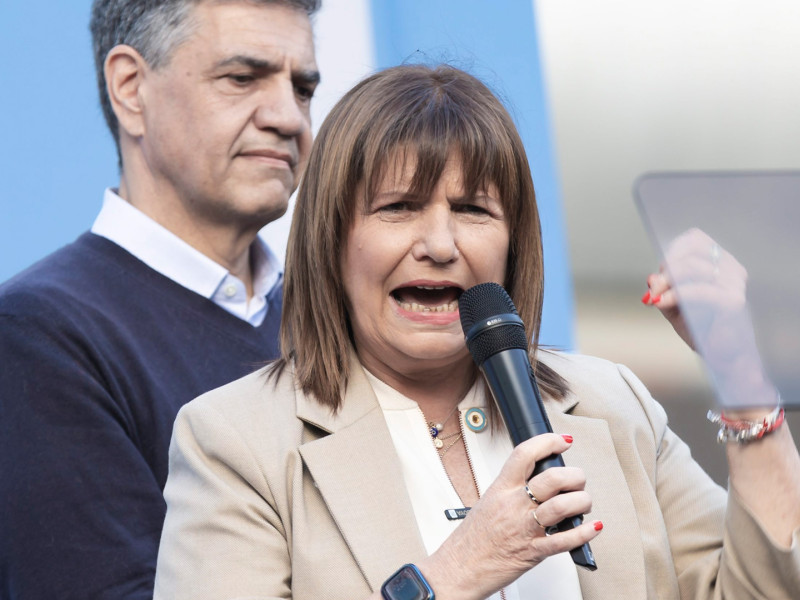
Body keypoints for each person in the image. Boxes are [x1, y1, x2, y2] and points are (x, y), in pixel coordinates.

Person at [153, 65, 800, 599]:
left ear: (514, 244)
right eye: (399, 207)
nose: (440, 244)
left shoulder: (612, 403)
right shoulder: (235, 443)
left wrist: (741, 373)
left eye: (472, 210)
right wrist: (455, 574)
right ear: (332, 240)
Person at [0, 0, 320, 597]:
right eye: (242, 77)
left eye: (302, 88)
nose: (287, 117)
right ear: (130, 88)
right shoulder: (37, 335)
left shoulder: (332, 323)